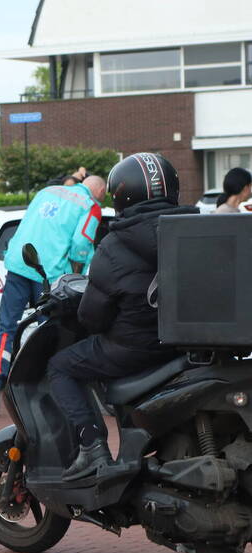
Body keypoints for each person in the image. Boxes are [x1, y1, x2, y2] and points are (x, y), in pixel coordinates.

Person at [49, 152, 198, 481]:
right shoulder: (198, 232)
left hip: (134, 350)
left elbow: (93, 319)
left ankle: (92, 449)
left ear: (121, 195)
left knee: (61, 366)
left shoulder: (113, 246)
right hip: (190, 347)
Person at [0, 175, 107, 416]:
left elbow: (28, 224)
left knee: (6, 327)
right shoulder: (90, 206)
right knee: (51, 332)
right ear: (99, 190)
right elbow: (81, 245)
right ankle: (51, 390)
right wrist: (78, 270)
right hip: (49, 274)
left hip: (18, 264)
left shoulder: (47, 193)